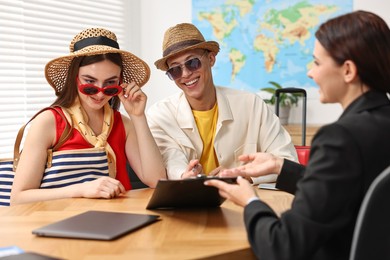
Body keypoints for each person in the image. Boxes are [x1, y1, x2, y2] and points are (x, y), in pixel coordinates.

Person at [205, 10, 390, 260]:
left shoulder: (340, 139)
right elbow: (347, 186)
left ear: (348, 70)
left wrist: (250, 202)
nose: (311, 74)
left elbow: (282, 246)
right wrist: (280, 166)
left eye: (316, 63)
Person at [10, 28, 166, 205]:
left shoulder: (124, 124)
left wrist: (138, 116)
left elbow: (156, 180)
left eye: (110, 84)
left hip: (118, 221)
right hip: (60, 224)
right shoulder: (49, 122)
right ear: (74, 77)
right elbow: (19, 198)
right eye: (90, 83)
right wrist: (82, 189)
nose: (100, 93)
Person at [148, 23, 297, 183]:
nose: (185, 74)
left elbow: (287, 162)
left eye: (192, 63)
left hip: (244, 203)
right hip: (189, 205)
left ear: (211, 59)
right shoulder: (160, 115)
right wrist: (185, 176)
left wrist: (246, 176)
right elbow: (170, 159)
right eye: (175, 70)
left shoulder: (251, 105)